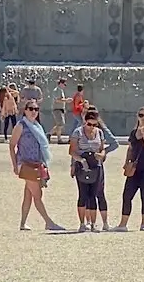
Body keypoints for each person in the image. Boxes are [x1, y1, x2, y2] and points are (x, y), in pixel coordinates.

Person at [9, 99, 66, 231]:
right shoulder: (21, 125)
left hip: (36, 163)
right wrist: (14, 165)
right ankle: (48, 222)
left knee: (28, 195)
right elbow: (12, 145)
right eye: (31, 109)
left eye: (36, 109)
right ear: (25, 110)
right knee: (37, 195)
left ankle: (23, 223)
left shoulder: (37, 125)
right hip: (25, 163)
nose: (33, 112)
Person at [115, 107, 144, 231]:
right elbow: (130, 148)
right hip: (135, 169)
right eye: (141, 115)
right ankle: (123, 224)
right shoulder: (133, 132)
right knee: (127, 195)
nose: (143, 118)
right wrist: (126, 162)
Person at [69, 108, 109, 231]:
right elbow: (72, 151)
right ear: (85, 122)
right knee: (83, 194)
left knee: (93, 195)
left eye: (94, 124)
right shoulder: (78, 132)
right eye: (89, 124)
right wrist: (80, 160)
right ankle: (82, 223)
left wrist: (102, 155)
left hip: (96, 165)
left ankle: (93, 223)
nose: (91, 127)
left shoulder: (99, 133)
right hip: (82, 164)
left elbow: (102, 149)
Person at [51, 78, 70, 144]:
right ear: (61, 84)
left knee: (59, 124)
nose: (65, 86)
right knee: (61, 124)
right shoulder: (56, 90)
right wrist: (66, 100)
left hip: (60, 109)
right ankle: (51, 134)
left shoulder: (61, 90)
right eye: (64, 84)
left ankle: (58, 138)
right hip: (57, 109)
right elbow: (57, 100)